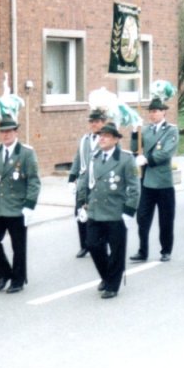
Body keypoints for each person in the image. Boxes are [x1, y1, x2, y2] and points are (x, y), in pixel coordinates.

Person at [77, 123, 140, 299]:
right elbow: (85, 181)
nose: (101, 138)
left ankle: (112, 285)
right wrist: (82, 203)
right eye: (100, 135)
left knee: (117, 250)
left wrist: (129, 211)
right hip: (95, 210)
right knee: (92, 244)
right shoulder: (93, 156)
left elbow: (134, 187)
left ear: (115, 139)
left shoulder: (126, 159)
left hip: (115, 212)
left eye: (106, 135)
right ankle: (107, 275)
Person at [0, 115, 41, 294]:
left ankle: (18, 280)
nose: (5, 135)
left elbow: (34, 181)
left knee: (18, 247)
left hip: (17, 207)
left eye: (9, 131)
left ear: (16, 132)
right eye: (3, 132)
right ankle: (4, 274)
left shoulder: (26, 153)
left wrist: (29, 205)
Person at [130, 97, 179, 262]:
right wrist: (134, 132)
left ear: (163, 111)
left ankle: (166, 250)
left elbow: (165, 153)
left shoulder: (171, 130)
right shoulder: (146, 130)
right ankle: (143, 251)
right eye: (151, 111)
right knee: (142, 218)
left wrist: (147, 159)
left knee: (165, 219)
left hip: (163, 181)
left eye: (156, 111)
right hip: (147, 181)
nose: (153, 114)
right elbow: (134, 149)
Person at [68, 108, 107, 258]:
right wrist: (71, 178)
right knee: (80, 213)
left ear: (103, 122)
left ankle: (101, 243)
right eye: (91, 122)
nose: (93, 124)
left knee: (98, 214)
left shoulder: (106, 139)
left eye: (97, 121)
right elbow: (78, 158)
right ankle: (84, 245)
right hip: (84, 183)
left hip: (99, 182)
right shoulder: (84, 139)